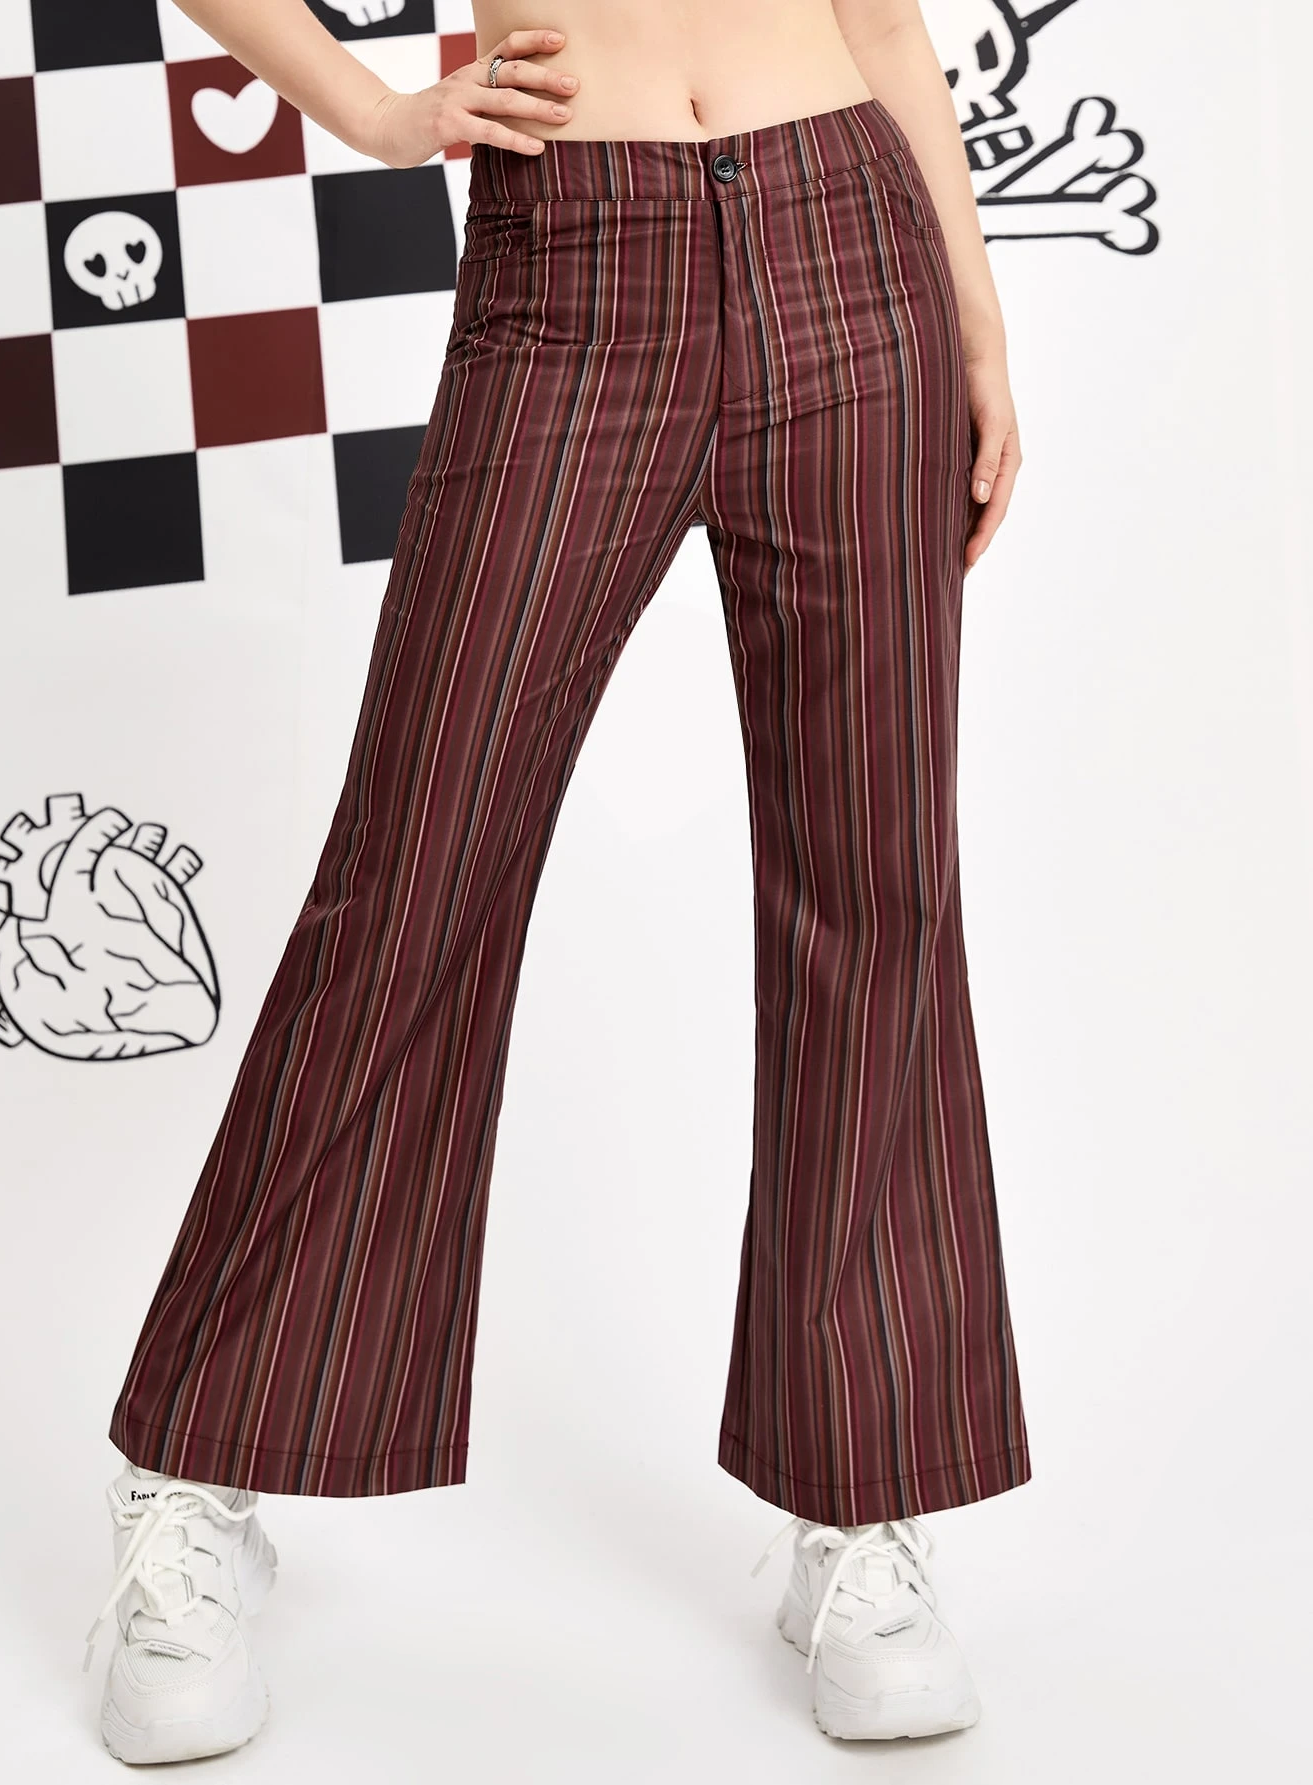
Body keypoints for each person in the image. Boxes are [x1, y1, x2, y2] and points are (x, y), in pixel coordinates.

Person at [86, 0, 1032, 1761]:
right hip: (576, 265)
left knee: (876, 890)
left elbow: (886, 23)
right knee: (415, 872)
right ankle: (194, 1479)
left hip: (855, 250)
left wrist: (978, 322)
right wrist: (372, 110)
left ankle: (862, 1509)